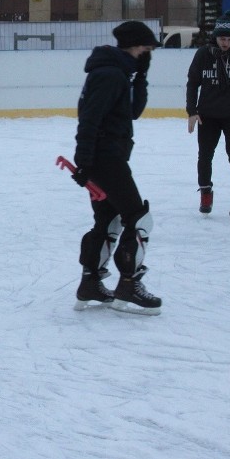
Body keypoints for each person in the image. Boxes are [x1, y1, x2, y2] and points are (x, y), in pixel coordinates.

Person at [71, 21, 162, 315]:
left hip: (106, 156)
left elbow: (132, 111)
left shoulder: (118, 72)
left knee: (109, 220)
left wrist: (141, 77)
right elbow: (89, 119)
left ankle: (90, 283)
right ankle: (128, 284)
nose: (147, 54)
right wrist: (83, 162)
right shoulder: (110, 74)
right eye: (145, 49)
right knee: (139, 218)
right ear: (134, 46)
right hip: (105, 158)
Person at [186, 10, 230, 218]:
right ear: (215, 36)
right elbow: (192, 82)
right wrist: (192, 111)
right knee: (205, 156)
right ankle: (206, 192)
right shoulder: (203, 54)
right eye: (221, 38)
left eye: (229, 39)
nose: (225, 43)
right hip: (207, 116)